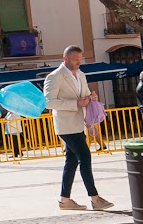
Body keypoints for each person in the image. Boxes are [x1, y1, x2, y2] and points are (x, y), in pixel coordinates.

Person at [44, 46, 113, 212]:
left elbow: (85, 95)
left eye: (80, 59)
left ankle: (64, 200)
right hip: (66, 126)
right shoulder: (54, 77)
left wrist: (91, 98)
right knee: (84, 156)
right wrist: (75, 103)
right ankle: (95, 198)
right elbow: (48, 102)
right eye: (75, 59)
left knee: (72, 160)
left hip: (80, 123)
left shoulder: (81, 74)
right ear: (65, 58)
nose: (78, 62)